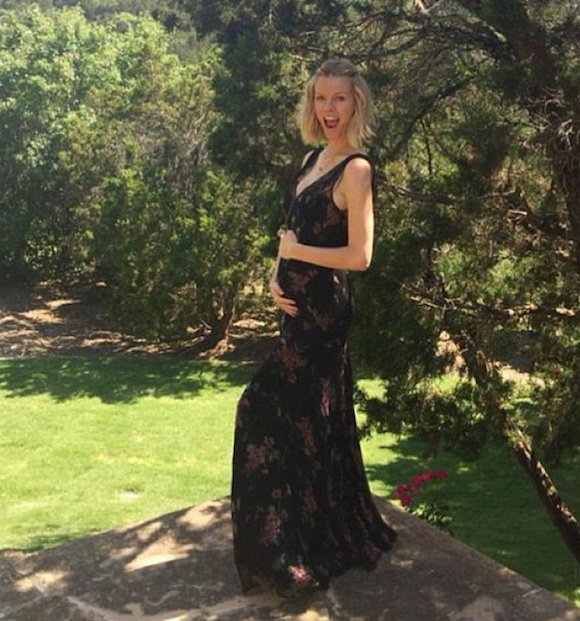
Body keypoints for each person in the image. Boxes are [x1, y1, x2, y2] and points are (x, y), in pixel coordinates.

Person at [231, 58, 397, 599]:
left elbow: (360, 256)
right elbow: (292, 232)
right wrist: (275, 274)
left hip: (324, 319)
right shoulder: (311, 158)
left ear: (356, 104)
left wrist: (295, 254)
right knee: (306, 427)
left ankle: (289, 549)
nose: (329, 108)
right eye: (321, 98)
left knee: (262, 408)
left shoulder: (356, 169)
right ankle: (297, 539)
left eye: (339, 98)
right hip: (295, 313)